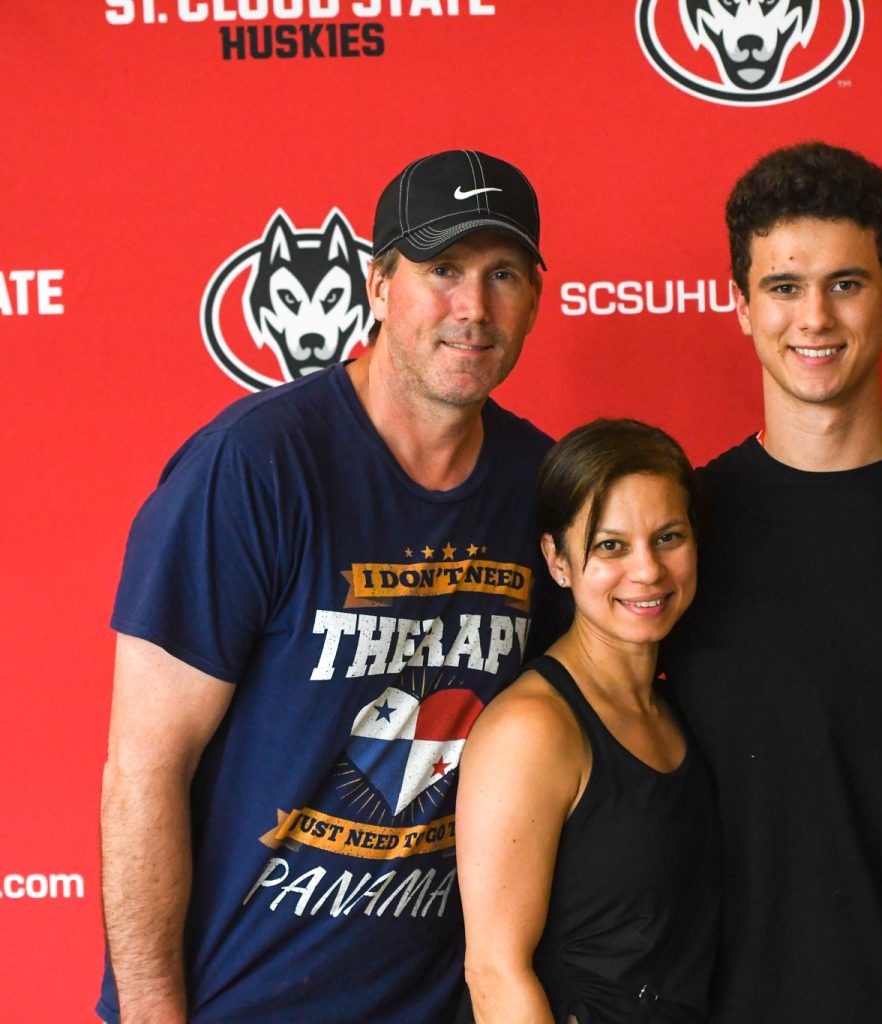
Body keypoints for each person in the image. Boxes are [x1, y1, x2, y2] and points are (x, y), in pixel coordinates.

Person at [98, 149, 553, 1023]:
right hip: (247, 1001)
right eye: (443, 270)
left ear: (535, 294)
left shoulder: (543, 483)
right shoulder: (255, 467)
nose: (473, 308)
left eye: (502, 274)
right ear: (378, 286)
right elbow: (144, 773)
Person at [662, 141, 882, 1023]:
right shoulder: (674, 537)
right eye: (783, 287)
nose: (813, 316)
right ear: (739, 306)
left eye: (846, 284)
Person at [458, 419, 720, 1024]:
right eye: (610, 545)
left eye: (669, 537)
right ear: (557, 560)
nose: (648, 570)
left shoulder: (675, 706)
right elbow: (495, 973)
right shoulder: (532, 729)